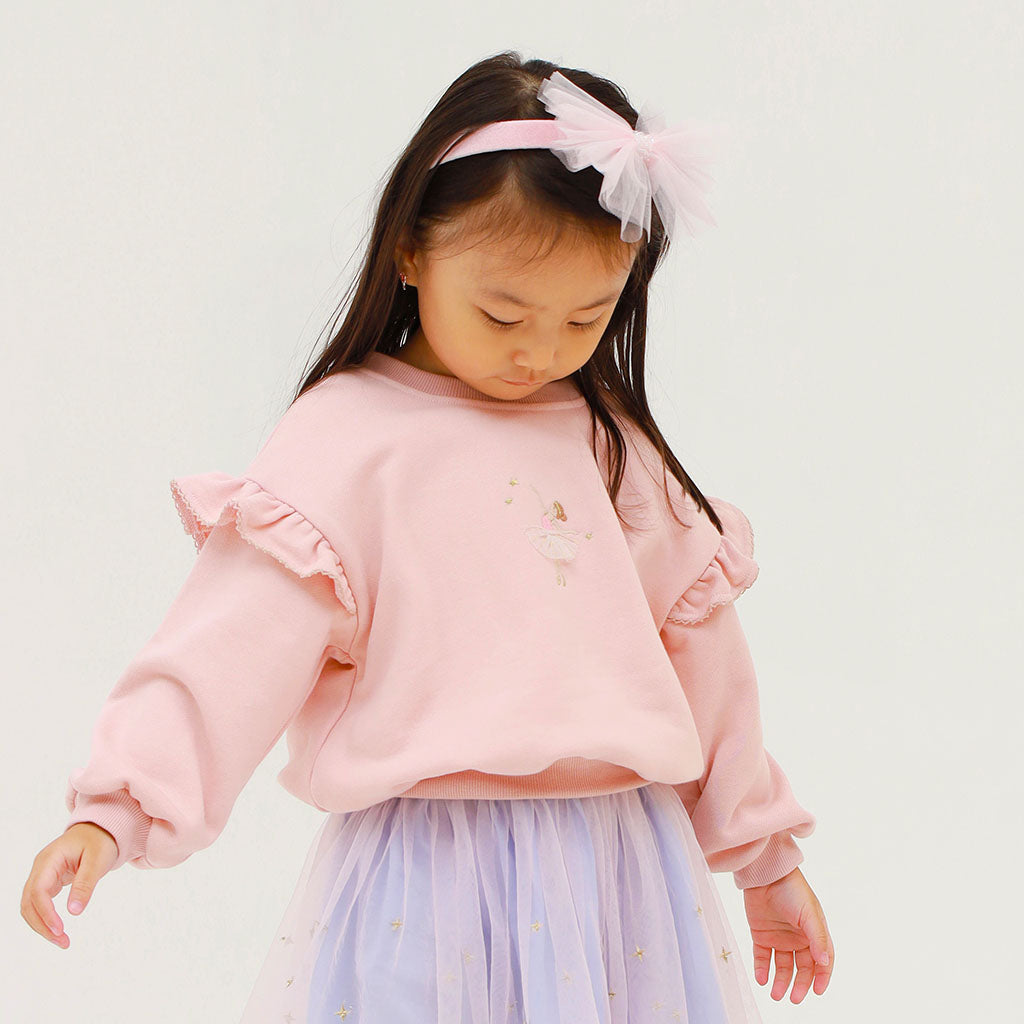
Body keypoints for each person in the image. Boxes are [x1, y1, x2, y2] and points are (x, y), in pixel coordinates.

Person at [22, 52, 834, 1021]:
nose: (539, 351)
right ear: (411, 251)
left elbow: (706, 660)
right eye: (502, 312)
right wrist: (113, 812)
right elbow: (230, 646)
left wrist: (765, 860)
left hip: (624, 872)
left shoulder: (606, 440)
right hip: (427, 878)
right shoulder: (345, 439)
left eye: (586, 316)